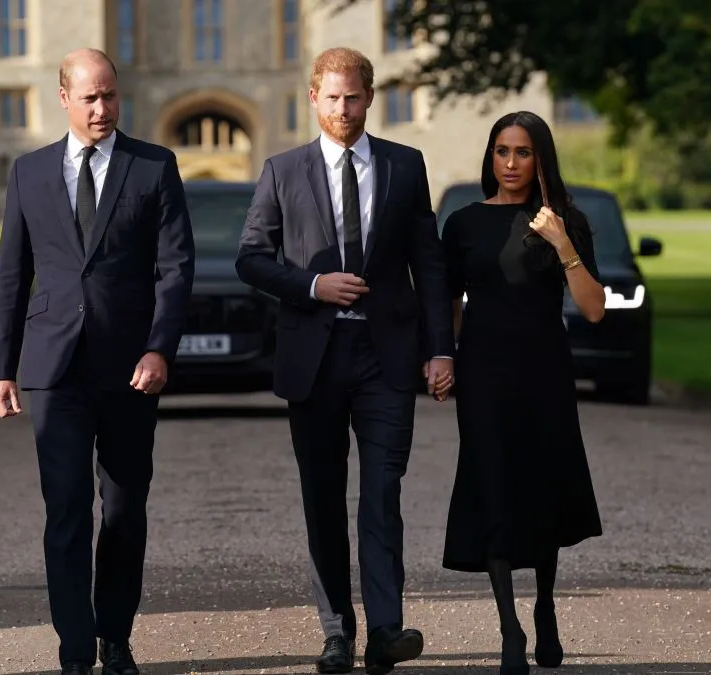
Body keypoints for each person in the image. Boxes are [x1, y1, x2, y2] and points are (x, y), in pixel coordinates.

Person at [235, 47, 455, 675]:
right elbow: (251, 257)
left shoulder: (405, 165)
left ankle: (387, 629)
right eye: (331, 97)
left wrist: (441, 347)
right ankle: (336, 630)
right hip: (315, 358)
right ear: (313, 98)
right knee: (323, 497)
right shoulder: (282, 170)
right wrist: (312, 286)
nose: (343, 108)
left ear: (369, 97)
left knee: (382, 494)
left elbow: (428, 265)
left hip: (387, 356)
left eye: (353, 97)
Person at [0, 48, 195, 675]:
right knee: (67, 510)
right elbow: (10, 275)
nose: (102, 108)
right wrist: (1, 367)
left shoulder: (153, 166)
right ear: (64, 98)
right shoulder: (28, 172)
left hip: (132, 367)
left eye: (110, 95)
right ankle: (75, 646)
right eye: (90, 97)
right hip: (53, 369)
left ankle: (116, 637)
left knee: (125, 509)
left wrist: (159, 346)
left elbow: (176, 268)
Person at [439, 111, 605, 675]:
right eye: (502, 151)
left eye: (523, 152)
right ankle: (509, 627)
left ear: (542, 159)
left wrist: (561, 242)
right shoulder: (462, 224)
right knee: (493, 484)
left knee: (542, 485)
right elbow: (451, 303)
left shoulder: (567, 221)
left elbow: (593, 307)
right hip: (484, 371)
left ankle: (547, 607)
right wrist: (441, 358)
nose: (510, 163)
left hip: (545, 370)